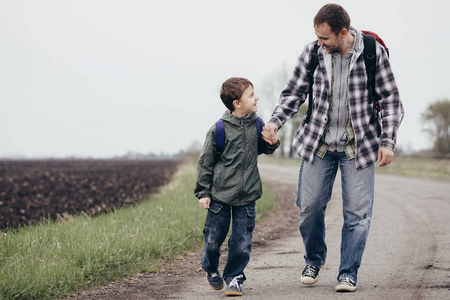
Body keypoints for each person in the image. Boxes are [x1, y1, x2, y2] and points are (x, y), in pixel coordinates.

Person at [262, 3, 404, 293]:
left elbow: (391, 100)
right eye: (317, 37)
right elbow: (293, 94)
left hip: (358, 147)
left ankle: (348, 273)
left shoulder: (371, 52)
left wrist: (387, 142)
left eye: (325, 38)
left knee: (357, 215)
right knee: (309, 209)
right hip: (319, 144)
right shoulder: (312, 52)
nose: (319, 43)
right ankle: (314, 259)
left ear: (342, 33)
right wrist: (276, 122)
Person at [195, 77, 280, 296]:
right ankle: (211, 268)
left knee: (242, 243)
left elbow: (264, 148)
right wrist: (203, 193)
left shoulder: (257, 123)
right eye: (251, 94)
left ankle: (234, 277)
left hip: (247, 195)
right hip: (220, 196)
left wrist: (273, 141)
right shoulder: (219, 130)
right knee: (213, 240)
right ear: (237, 103)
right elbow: (206, 162)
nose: (256, 97)